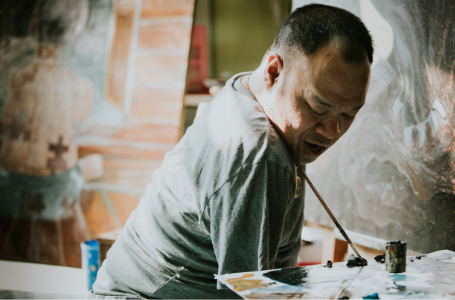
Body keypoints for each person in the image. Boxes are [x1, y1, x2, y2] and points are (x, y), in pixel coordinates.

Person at [91, 4, 372, 299]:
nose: (333, 131)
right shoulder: (259, 153)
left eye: (349, 114)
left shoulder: (245, 89)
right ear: (274, 71)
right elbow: (249, 294)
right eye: (318, 108)